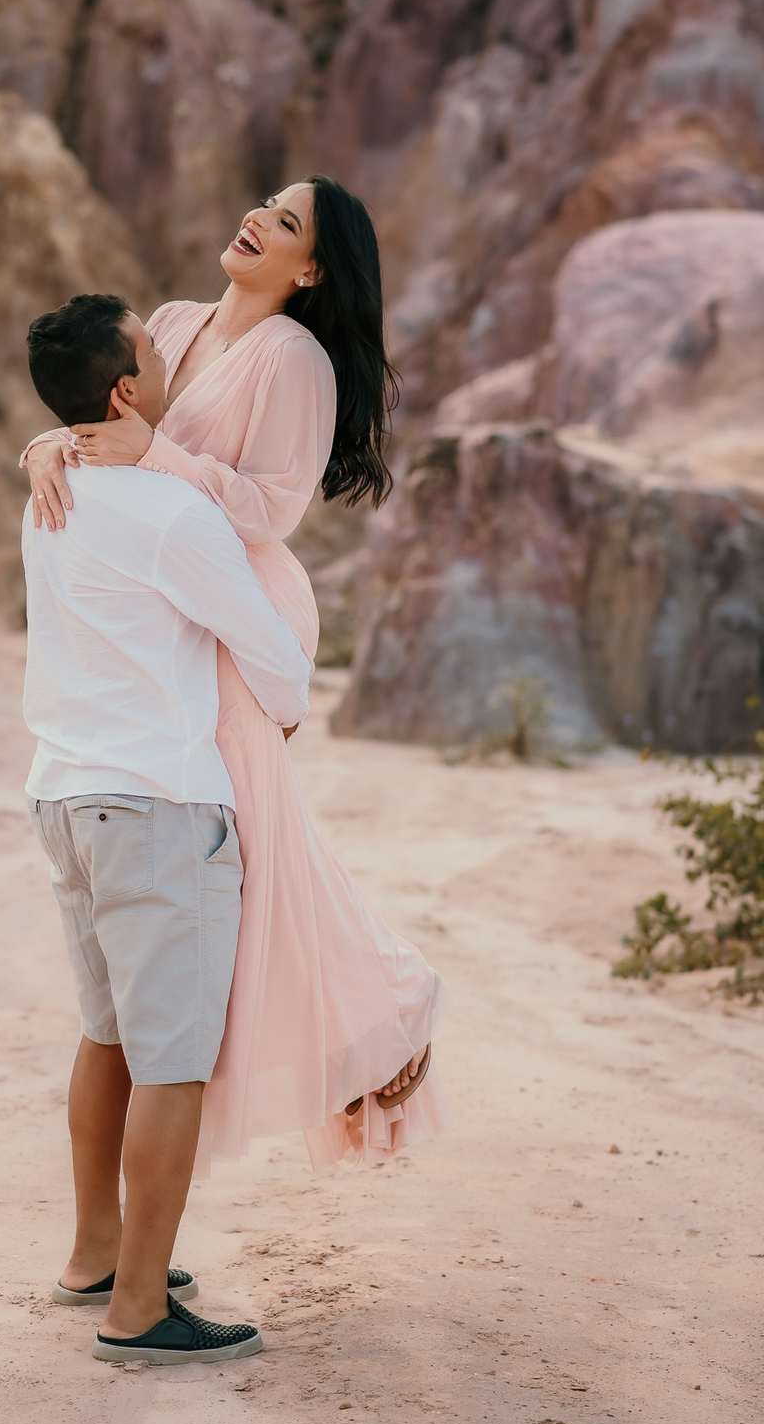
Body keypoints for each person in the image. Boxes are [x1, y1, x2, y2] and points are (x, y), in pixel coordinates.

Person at [24, 175, 453, 1174]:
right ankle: (361, 1014)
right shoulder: (170, 322)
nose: (258, 217)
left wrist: (157, 454)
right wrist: (44, 445)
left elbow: (267, 511)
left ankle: (384, 1010)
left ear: (309, 270)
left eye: (287, 223)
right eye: (266, 201)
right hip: (170, 601)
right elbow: (107, 418)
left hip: (241, 604)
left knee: (246, 841)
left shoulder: (294, 357)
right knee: (242, 850)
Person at [22, 292, 313, 1365]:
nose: (168, 351)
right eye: (151, 346)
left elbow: (67, 449)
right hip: (157, 805)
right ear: (126, 390)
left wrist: (46, 442)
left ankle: (95, 1251)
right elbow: (271, 654)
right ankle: (139, 1306)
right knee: (174, 1062)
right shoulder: (172, 514)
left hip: (64, 794)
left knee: (107, 1034)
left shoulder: (48, 490)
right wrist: (286, 704)